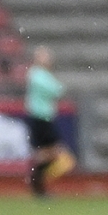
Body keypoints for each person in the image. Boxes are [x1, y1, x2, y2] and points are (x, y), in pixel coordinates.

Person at [24, 48, 74, 198]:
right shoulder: (37, 74)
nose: (49, 60)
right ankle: (37, 182)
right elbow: (57, 90)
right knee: (53, 152)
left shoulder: (40, 75)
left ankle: (38, 184)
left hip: (44, 118)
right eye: (45, 57)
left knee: (47, 152)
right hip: (40, 117)